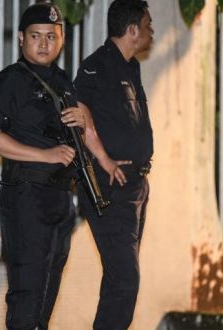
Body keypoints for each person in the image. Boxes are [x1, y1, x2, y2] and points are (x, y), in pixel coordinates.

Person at [0, 3, 87, 329]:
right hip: (26, 196)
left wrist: (85, 118)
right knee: (27, 294)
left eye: (51, 37)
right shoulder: (10, 81)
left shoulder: (62, 80)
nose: (43, 43)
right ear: (20, 39)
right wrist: (46, 155)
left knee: (46, 294)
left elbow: (77, 138)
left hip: (59, 198)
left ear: (62, 39)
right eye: (36, 36)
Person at [74, 0, 154, 329]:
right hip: (111, 187)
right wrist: (104, 159)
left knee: (118, 280)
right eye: (148, 24)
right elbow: (78, 113)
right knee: (125, 281)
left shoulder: (130, 66)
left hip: (136, 186)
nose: (152, 30)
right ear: (132, 29)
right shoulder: (97, 65)